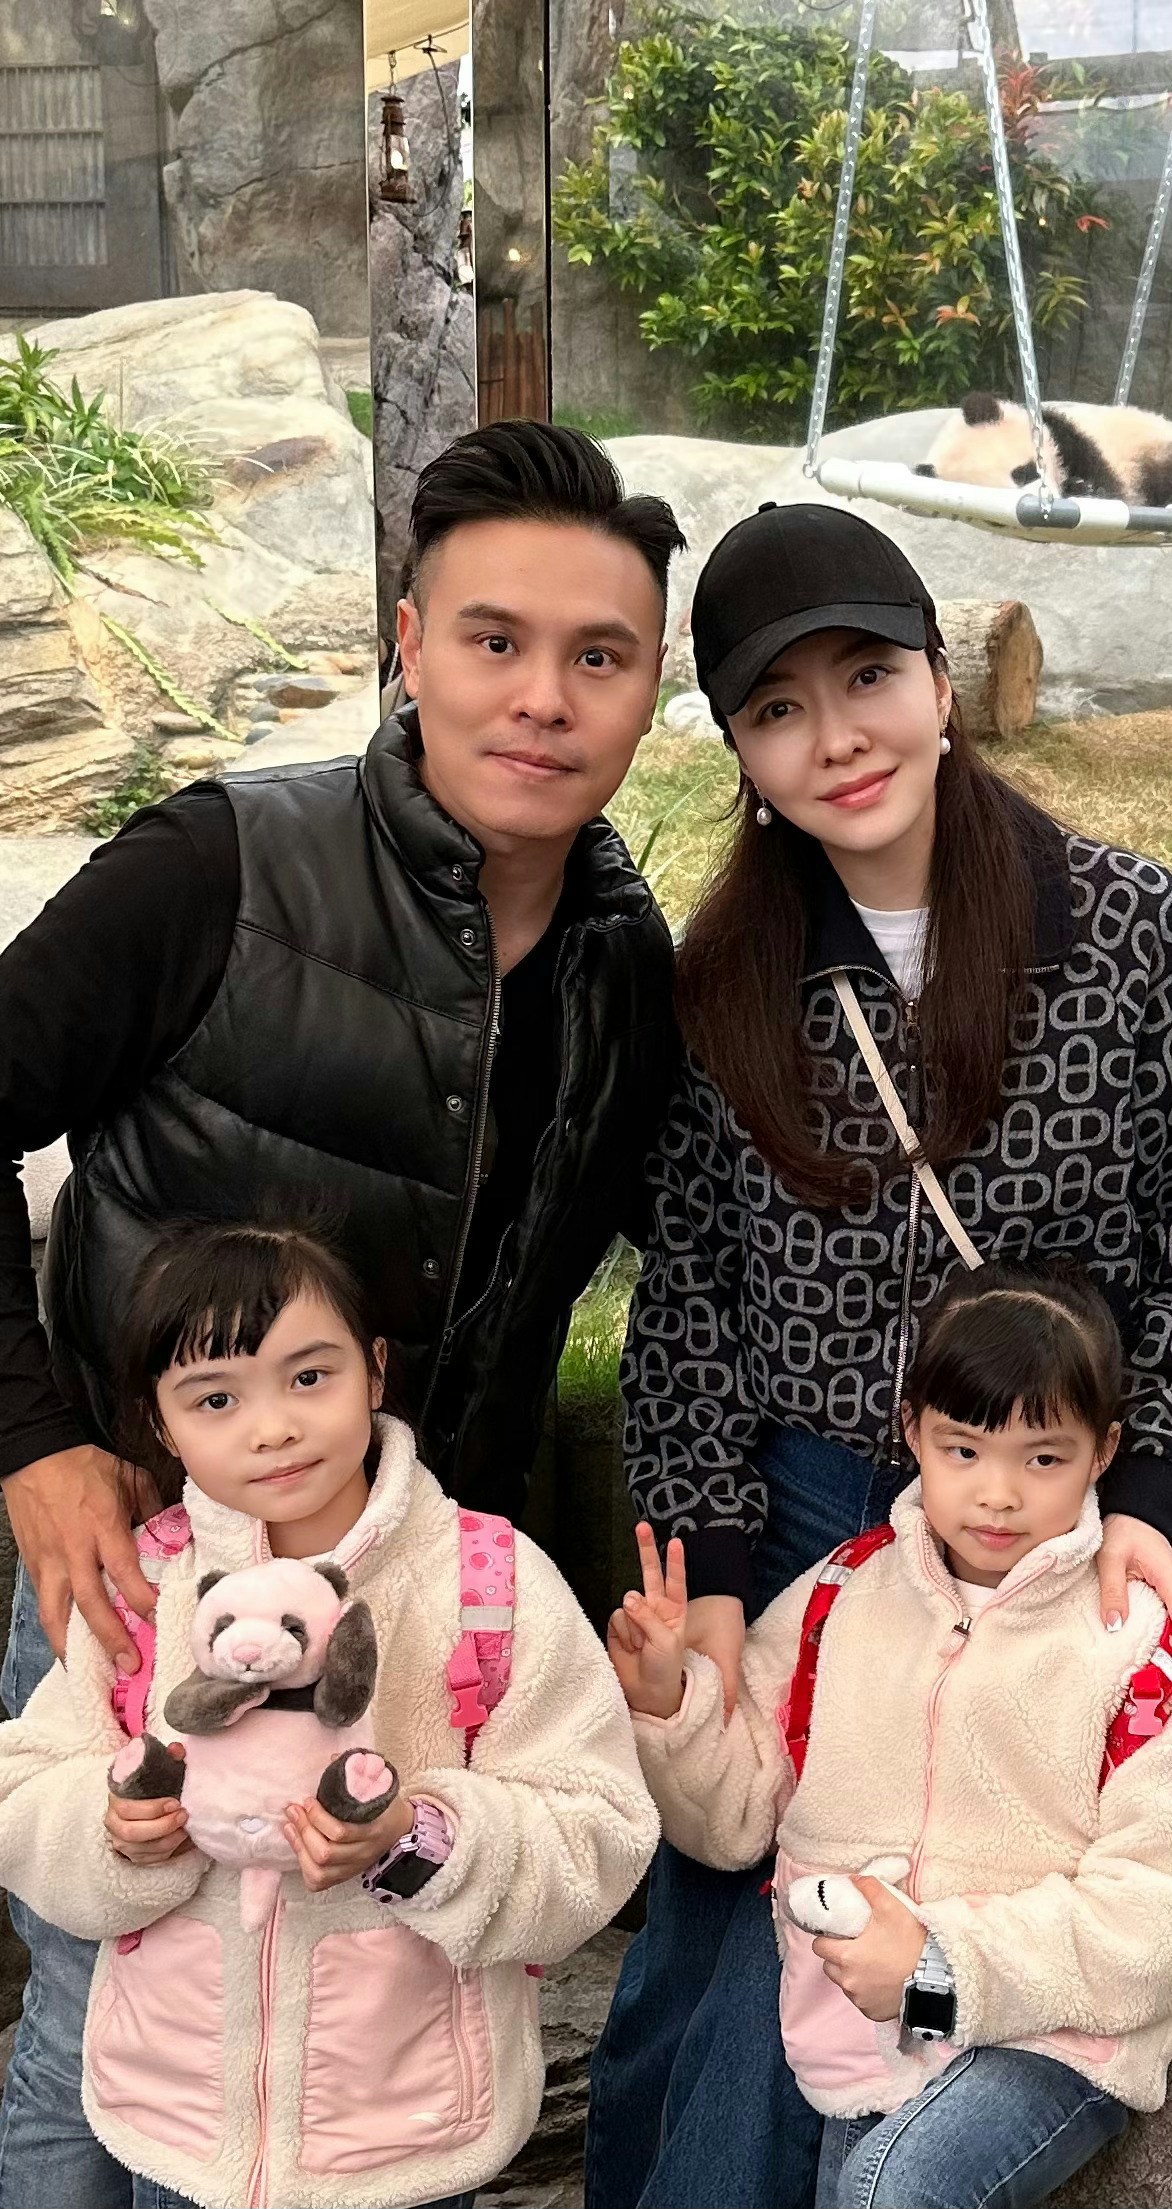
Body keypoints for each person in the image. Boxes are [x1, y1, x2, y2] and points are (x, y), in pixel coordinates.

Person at [0, 422, 683, 2206]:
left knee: (373, 2063)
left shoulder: (624, 967)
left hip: (425, 1601)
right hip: (148, 1570)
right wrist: (35, 1444)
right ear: (408, 643)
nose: (541, 698)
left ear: (650, 689)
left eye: (599, 656)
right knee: (95, 2029)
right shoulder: (221, 865)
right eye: (494, 639)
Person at [586, 502, 1172, 2209]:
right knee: (714, 1941)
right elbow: (689, 1301)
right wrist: (712, 1574)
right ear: (740, 753)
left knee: (936, 1891)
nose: (836, 737)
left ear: (939, 679)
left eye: (867, 676)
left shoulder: (1122, 926)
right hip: (805, 1504)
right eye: (777, 708)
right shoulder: (727, 980)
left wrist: (1146, 1494)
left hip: (1035, 1494)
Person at [0, 1220, 660, 2209]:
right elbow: (23, 1788)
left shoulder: (486, 1581)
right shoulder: (147, 1586)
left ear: (376, 1368)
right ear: (160, 1423)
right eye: (215, 1398)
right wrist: (113, 1830)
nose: (272, 1427)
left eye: (309, 1376)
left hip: (404, 2136)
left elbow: (600, 1825)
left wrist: (420, 1841)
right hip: (183, 2132)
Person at [609, 1261, 1172, 2209]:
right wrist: (671, 1706)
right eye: (963, 1449)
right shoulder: (839, 1595)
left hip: (1050, 2029)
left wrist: (941, 1962)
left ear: (1104, 1450)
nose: (998, 1494)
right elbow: (736, 1820)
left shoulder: (1136, 1642)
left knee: (890, 2186)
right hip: (855, 2019)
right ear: (911, 1431)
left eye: (1042, 1458)